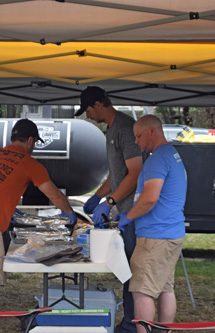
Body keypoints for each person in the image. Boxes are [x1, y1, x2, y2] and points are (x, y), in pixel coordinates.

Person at [0, 118, 77, 333]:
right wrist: (70, 214)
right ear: (30, 140)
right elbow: (55, 195)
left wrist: (9, 208)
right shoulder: (29, 162)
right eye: (34, 143)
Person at [75, 86, 144, 333]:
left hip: (135, 215)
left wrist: (110, 203)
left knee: (132, 274)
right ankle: (128, 322)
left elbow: (135, 174)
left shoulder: (125, 128)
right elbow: (117, 175)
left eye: (88, 111)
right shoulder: (111, 130)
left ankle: (131, 326)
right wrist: (97, 196)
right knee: (126, 271)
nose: (87, 117)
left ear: (99, 104)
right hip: (124, 213)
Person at [115, 115, 187, 333]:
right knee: (165, 288)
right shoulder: (171, 154)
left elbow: (150, 198)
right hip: (170, 232)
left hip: (155, 236)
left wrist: (128, 216)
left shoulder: (157, 159)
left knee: (141, 292)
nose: (136, 141)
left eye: (138, 136)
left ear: (152, 132)